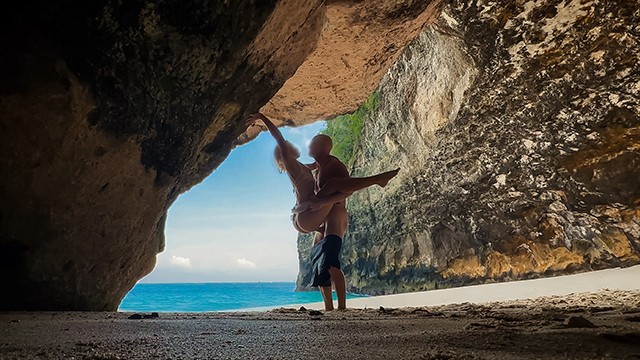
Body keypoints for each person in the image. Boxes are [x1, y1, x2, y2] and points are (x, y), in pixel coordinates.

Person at [246, 113, 398, 311]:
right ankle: (376, 180)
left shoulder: (305, 167)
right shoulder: (291, 165)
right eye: (290, 146)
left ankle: (330, 308)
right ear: (284, 153)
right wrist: (261, 118)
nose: (296, 146)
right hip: (307, 217)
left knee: (323, 262)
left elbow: (321, 166)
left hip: (308, 218)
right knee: (335, 187)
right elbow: (279, 138)